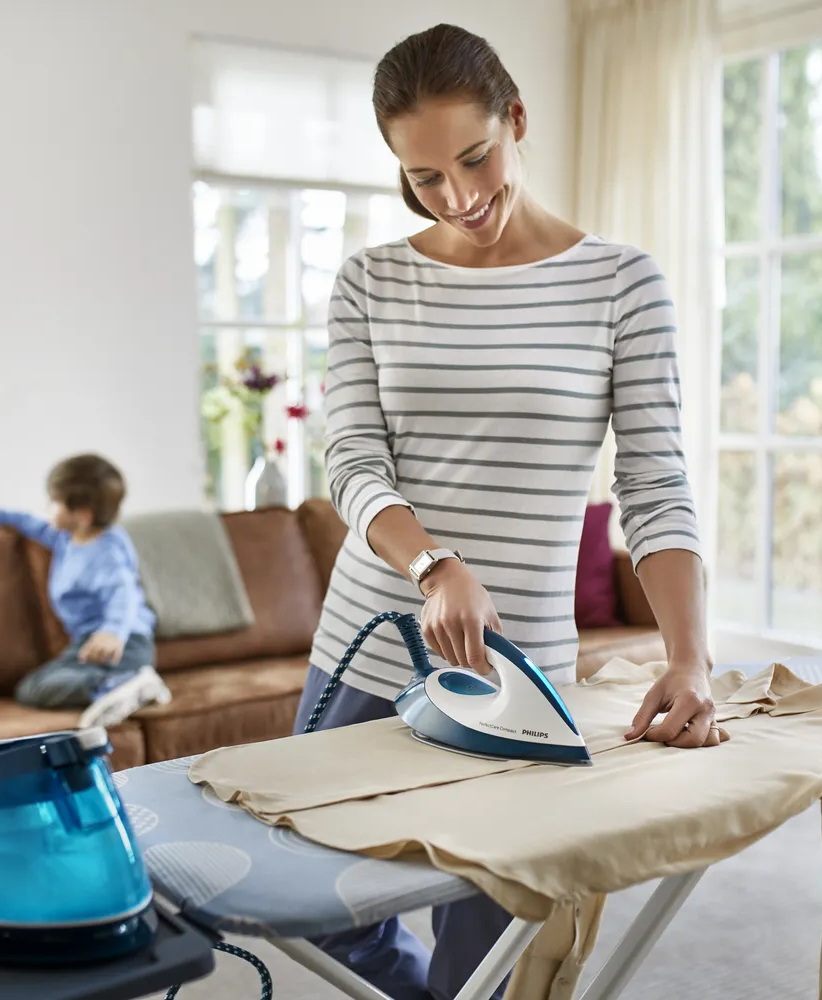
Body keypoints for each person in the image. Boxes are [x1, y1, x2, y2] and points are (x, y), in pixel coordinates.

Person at [291, 23, 723, 1000]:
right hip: (368, 641)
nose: (459, 195)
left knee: (485, 942)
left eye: (474, 158)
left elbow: (656, 487)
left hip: (517, 667)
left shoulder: (621, 283)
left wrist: (689, 659)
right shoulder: (370, 280)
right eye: (425, 177)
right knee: (319, 904)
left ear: (517, 118)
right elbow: (353, 463)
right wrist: (433, 563)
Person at [0, 453, 170, 730]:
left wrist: (112, 632)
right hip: (90, 647)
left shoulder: (106, 552)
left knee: (33, 690)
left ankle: (121, 683)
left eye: (55, 502)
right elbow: (17, 518)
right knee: (34, 687)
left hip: (122, 645)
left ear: (83, 515)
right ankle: (123, 687)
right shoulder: (65, 538)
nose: (48, 507)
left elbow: (123, 593)